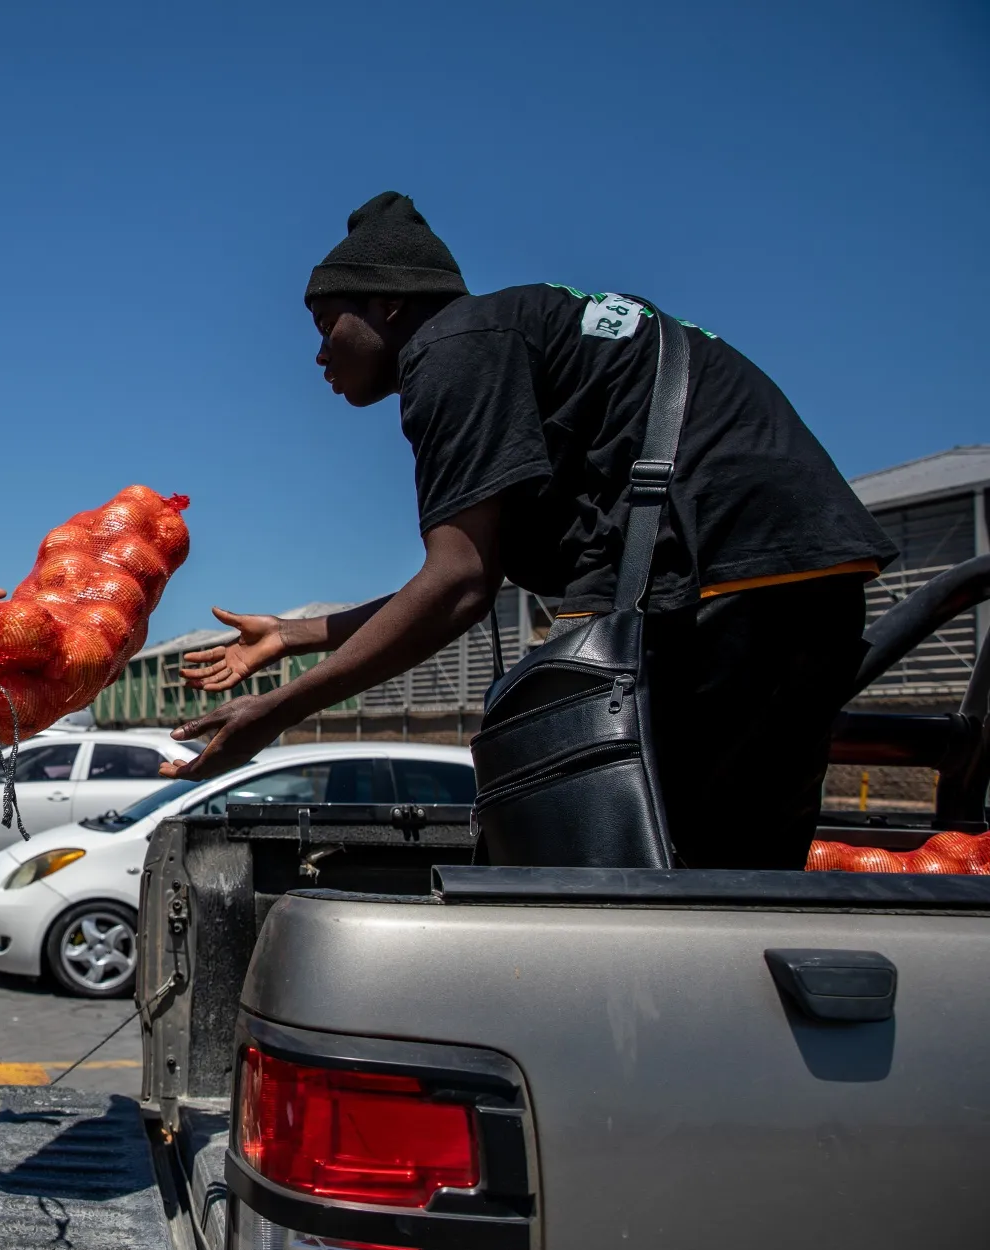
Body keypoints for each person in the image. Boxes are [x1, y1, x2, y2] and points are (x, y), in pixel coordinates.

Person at [165, 191, 895, 871]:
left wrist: (277, 711)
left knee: (659, 870)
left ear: (389, 302)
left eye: (328, 326)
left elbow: (459, 585)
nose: (320, 353)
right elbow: (466, 575)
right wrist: (291, 636)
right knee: (730, 866)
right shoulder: (514, 337)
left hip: (727, 577)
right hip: (786, 573)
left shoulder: (451, 348)